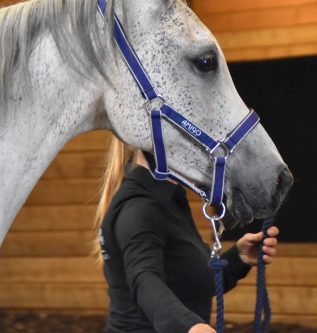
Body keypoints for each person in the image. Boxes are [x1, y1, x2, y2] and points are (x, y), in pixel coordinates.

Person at [93, 139, 279, 333]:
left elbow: (190, 284)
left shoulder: (168, 200)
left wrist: (238, 259)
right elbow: (144, 281)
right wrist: (190, 326)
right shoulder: (140, 209)